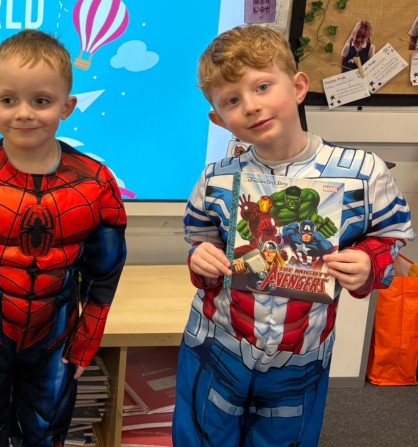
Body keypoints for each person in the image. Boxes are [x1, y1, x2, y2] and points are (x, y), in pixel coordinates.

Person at [176, 25, 414, 446]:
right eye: (232, 100)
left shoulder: (363, 173)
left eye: (262, 86)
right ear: (219, 120)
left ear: (299, 87)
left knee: (285, 438)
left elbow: (392, 237)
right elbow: (201, 239)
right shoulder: (216, 178)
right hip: (217, 344)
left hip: (301, 355)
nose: (251, 106)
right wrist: (201, 258)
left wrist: (369, 263)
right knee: (203, 435)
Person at [0, 29, 128, 446]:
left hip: (56, 334)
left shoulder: (96, 182)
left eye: (41, 101)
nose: (24, 113)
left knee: (47, 433)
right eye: (8, 100)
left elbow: (105, 274)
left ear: (67, 107)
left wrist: (87, 339)